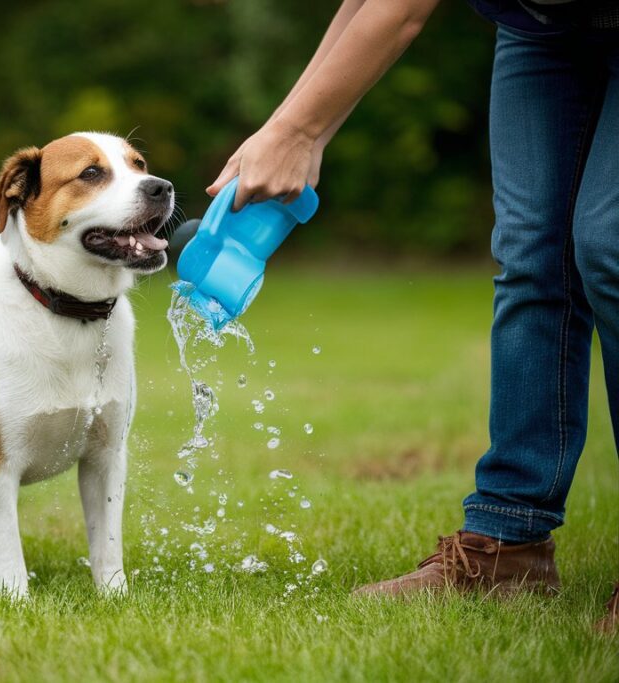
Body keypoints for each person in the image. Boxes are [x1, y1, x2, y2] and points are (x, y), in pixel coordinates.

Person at [208, 0, 617, 631]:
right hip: (543, 31)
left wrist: (298, 131)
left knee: (609, 245)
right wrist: (293, 129)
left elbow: (403, 10)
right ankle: (508, 547)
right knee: (534, 257)